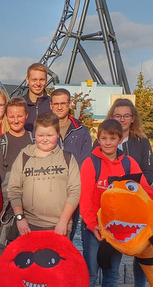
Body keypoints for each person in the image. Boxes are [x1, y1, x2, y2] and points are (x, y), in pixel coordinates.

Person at [79, 119, 153, 287]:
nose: (108, 142)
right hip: (93, 228)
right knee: (90, 275)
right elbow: (85, 199)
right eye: (104, 138)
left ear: (120, 139)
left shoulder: (128, 163)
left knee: (112, 275)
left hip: (118, 230)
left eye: (112, 138)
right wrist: (93, 225)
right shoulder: (90, 163)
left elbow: (145, 191)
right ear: (99, 139)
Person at [104, 99, 153, 287]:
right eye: (118, 115)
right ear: (111, 117)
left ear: (133, 118)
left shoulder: (141, 142)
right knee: (112, 254)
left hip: (137, 205)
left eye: (126, 116)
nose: (122, 120)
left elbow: (149, 174)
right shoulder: (104, 140)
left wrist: (128, 187)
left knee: (141, 250)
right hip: (113, 206)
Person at [0, 97, 34, 287]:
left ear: (26, 116)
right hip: (7, 206)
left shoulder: (34, 140)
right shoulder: (1, 142)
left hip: (33, 204)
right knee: (2, 249)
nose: (16, 120)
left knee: (27, 250)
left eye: (19, 116)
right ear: (7, 117)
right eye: (12, 116)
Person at [8, 112, 80, 236]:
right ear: (35, 134)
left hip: (60, 226)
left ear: (57, 135)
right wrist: (20, 218)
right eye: (41, 135)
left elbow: (75, 191)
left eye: (50, 135)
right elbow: (14, 189)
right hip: (29, 226)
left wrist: (64, 221)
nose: (45, 139)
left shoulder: (67, 158)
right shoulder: (24, 156)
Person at [50, 88, 92, 241]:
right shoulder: (43, 130)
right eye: (56, 104)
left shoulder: (81, 132)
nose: (59, 107)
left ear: (70, 105)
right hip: (48, 192)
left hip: (71, 194)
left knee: (66, 237)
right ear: (51, 106)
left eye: (63, 103)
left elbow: (85, 164)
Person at [23, 63, 52, 132]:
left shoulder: (53, 104)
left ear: (46, 81)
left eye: (41, 79)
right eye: (34, 80)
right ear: (27, 80)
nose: (38, 84)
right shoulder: (19, 104)